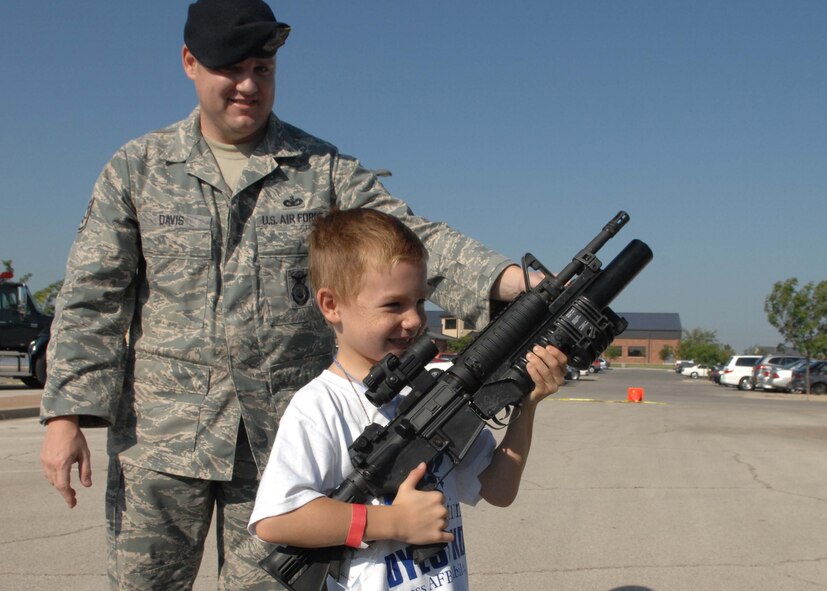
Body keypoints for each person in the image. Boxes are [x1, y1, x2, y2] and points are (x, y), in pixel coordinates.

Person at [38, 0, 558, 588]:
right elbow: (93, 298)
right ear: (190, 63)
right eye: (231, 69)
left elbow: (410, 241)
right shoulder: (137, 169)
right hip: (161, 444)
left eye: (263, 69)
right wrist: (65, 417)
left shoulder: (322, 169)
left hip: (279, 442)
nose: (248, 85)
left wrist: (510, 281)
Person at [249, 208, 566, 590]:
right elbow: (277, 519)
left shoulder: (435, 390)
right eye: (393, 305)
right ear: (331, 305)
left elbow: (498, 490)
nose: (414, 320)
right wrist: (392, 523)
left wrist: (526, 404)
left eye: (419, 302)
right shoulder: (319, 404)